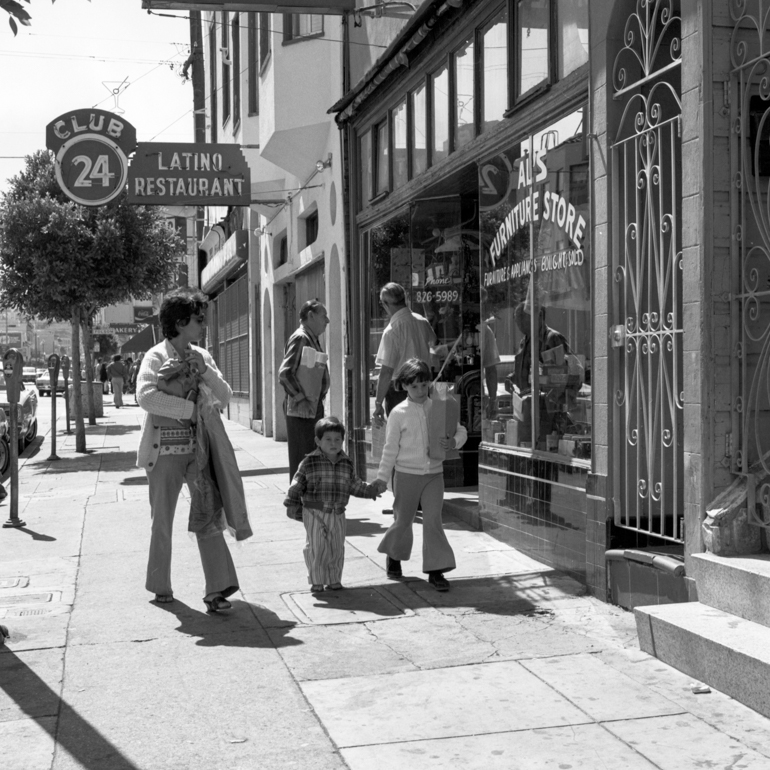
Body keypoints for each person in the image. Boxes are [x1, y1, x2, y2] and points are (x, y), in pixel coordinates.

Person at [136, 290, 240, 613]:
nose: (204, 325)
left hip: (199, 453)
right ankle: (160, 584)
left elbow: (224, 396)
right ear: (180, 323)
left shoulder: (203, 356)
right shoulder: (154, 357)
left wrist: (205, 372)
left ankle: (217, 590)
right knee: (162, 521)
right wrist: (189, 409)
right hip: (162, 453)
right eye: (198, 319)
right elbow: (146, 397)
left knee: (209, 516)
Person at [375, 358, 467, 592]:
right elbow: (390, 448)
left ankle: (436, 570)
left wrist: (454, 441)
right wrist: (382, 479)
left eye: (424, 385)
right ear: (404, 386)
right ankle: (394, 556)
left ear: (429, 384)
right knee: (403, 520)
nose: (420, 390)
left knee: (433, 521)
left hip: (435, 475)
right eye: (414, 386)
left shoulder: (440, 405)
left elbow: (460, 430)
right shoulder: (397, 413)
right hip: (406, 476)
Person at [284, 417, 381, 592]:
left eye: (337, 439)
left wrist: (370, 491)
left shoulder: (347, 463)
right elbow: (297, 484)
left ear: (343, 441)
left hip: (338, 513)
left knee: (336, 547)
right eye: (328, 439)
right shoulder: (309, 463)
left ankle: (334, 578)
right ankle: (317, 580)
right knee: (317, 546)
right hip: (314, 511)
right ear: (318, 441)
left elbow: (354, 485)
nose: (333, 443)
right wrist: (291, 503)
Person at [279, 299, 330, 481]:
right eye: (324, 316)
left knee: (311, 459)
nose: (327, 321)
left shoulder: (311, 338)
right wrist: (301, 398)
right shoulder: (301, 338)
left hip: (311, 408)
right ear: (311, 316)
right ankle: (299, 504)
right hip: (302, 410)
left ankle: (308, 502)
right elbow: (285, 373)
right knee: (303, 460)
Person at [372, 282, 436, 426]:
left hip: (400, 390)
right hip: (423, 386)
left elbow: (387, 371)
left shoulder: (392, 330)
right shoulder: (422, 321)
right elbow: (434, 345)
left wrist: (378, 403)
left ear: (386, 304)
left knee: (401, 435)